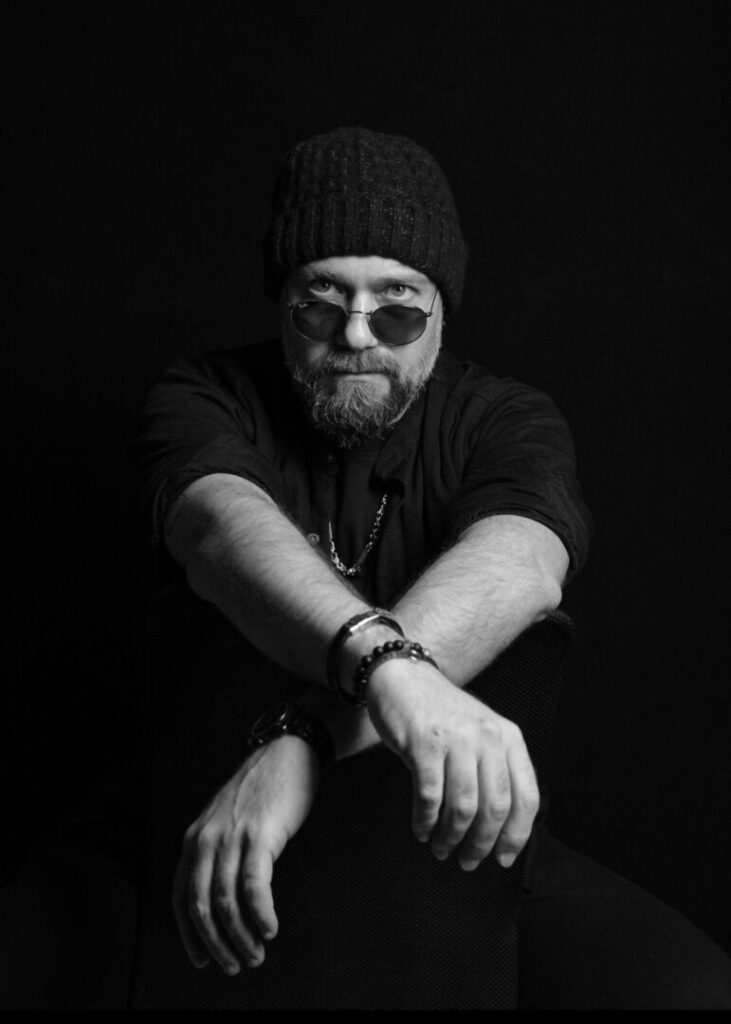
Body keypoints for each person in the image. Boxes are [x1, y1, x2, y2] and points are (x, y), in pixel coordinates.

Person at [134, 125, 731, 1010]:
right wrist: (392, 671)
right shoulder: (202, 394)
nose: (356, 336)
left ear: (442, 312)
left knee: (689, 989)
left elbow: (521, 561)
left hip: (435, 852)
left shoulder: (505, 419)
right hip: (194, 821)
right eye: (319, 303)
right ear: (281, 301)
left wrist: (305, 737)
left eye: (398, 308)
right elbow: (219, 529)